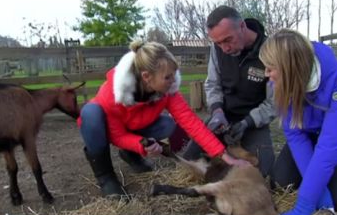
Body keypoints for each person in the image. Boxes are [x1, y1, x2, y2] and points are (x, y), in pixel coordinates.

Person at [78, 41, 250, 197]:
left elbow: (191, 122)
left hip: (135, 125)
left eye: (174, 74)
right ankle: (106, 177)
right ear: (146, 77)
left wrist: (224, 155)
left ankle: (130, 155)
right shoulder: (113, 93)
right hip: (104, 128)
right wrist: (139, 143)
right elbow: (117, 136)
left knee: (167, 125)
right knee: (90, 113)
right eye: (167, 77)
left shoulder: (167, 89)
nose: (173, 80)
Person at [258, 29, 337, 215]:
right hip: (307, 134)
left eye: (271, 68)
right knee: (281, 182)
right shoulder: (278, 84)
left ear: (290, 69)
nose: (266, 73)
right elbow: (295, 136)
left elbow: (328, 149)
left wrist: (302, 209)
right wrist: (320, 199)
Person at [182, 5, 276, 177]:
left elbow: (274, 102)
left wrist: (247, 122)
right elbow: (212, 84)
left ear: (242, 26)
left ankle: (230, 156)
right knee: (190, 161)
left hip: (254, 122)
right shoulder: (217, 49)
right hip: (223, 118)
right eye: (218, 43)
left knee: (265, 172)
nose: (224, 48)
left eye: (227, 40)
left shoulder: (269, 52)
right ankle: (226, 156)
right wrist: (217, 111)